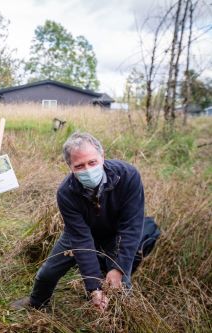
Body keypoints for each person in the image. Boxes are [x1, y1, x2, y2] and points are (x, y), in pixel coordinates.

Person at [12, 132, 159, 312]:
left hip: (115, 235)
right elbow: (81, 240)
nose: (88, 170)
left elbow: (131, 227)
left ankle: (120, 318)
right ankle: (36, 304)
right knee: (47, 274)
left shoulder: (128, 176)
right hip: (80, 232)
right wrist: (94, 287)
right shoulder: (66, 193)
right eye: (79, 166)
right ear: (70, 167)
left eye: (92, 162)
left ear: (102, 157)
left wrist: (118, 269)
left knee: (122, 286)